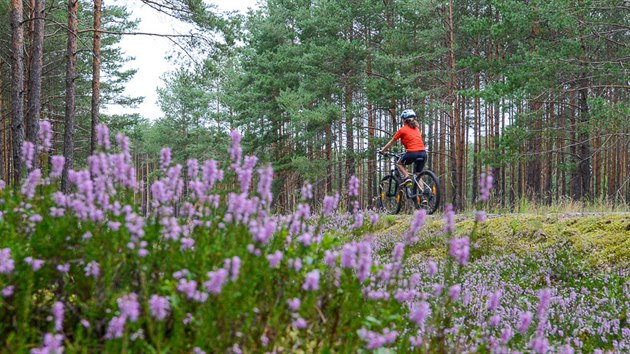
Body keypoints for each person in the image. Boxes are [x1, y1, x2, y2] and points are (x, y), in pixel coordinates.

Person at [379, 109, 427, 187]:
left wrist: (383, 151)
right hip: (423, 153)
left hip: (412, 153)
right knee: (418, 175)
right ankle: (423, 195)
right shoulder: (417, 129)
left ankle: (407, 177)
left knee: (399, 163)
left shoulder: (402, 130)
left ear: (404, 120)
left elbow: (391, 142)